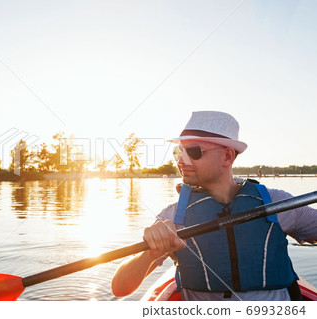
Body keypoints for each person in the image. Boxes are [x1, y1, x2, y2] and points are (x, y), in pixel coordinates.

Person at [111, 111, 317, 301]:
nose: (181, 161)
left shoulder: (278, 203)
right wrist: (150, 253)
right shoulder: (173, 217)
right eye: (178, 151)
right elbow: (120, 288)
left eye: (193, 151)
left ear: (227, 156)